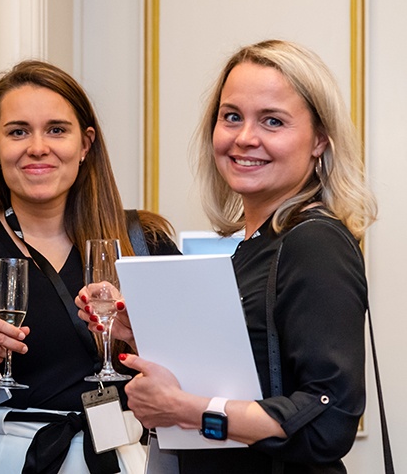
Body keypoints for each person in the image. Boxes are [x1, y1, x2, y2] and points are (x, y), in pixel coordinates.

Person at [77, 39, 378, 473]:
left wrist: (185, 411)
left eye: (272, 121)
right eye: (232, 116)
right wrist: (139, 335)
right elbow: (247, 381)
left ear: (319, 140)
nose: (245, 138)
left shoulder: (314, 243)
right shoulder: (258, 246)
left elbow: (327, 421)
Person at [0, 59, 180, 473]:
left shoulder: (144, 242)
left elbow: (200, 368)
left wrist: (140, 335)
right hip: (8, 460)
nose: (37, 147)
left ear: (85, 144)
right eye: (18, 131)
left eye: (56, 130)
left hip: (125, 457)